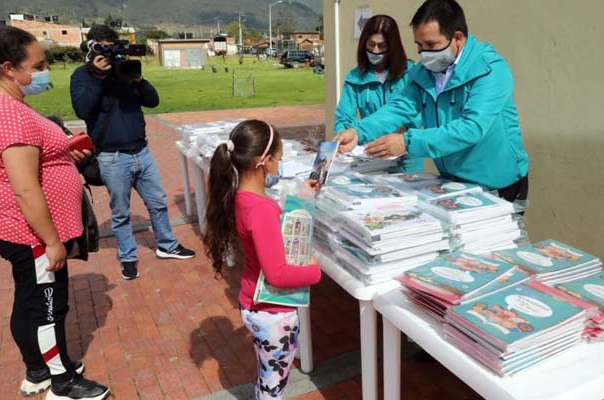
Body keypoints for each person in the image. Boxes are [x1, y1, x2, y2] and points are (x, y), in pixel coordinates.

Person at [0, 26, 109, 400]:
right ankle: (61, 383)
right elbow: (25, 187)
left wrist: (63, 153)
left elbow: (34, 160)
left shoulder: (2, 103)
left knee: (29, 299)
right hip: (28, 232)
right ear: (10, 68)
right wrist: (51, 242)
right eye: (39, 65)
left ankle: (39, 368)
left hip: (16, 228)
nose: (45, 72)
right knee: (48, 306)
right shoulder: (7, 115)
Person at [336, 0, 530, 203]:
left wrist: (407, 142)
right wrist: (359, 131)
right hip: (453, 182)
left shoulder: (489, 70)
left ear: (457, 38)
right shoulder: (423, 72)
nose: (424, 53)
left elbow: (472, 127)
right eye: (419, 45)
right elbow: (400, 107)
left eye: (431, 45)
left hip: (498, 183)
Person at [203, 120, 322, 400]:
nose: (279, 167)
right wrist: (314, 271)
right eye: (278, 160)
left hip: (255, 305)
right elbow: (278, 274)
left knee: (267, 374)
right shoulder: (262, 209)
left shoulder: (242, 197)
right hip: (273, 312)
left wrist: (301, 198)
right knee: (274, 384)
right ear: (264, 161)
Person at [70, 25, 195, 280]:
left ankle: (167, 245)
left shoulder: (124, 71)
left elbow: (152, 101)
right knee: (121, 212)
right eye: (104, 48)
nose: (109, 54)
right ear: (92, 48)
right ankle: (128, 257)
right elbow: (83, 110)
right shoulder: (82, 76)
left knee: (158, 203)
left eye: (112, 47)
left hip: (142, 151)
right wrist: (97, 76)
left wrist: (138, 79)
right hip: (112, 157)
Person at [334, 14, 424, 171]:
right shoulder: (355, 78)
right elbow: (343, 118)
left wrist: (397, 138)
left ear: (393, 46)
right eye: (371, 44)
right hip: (369, 159)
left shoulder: (411, 73)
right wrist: (345, 137)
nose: (375, 51)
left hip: (406, 161)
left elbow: (417, 114)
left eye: (382, 46)